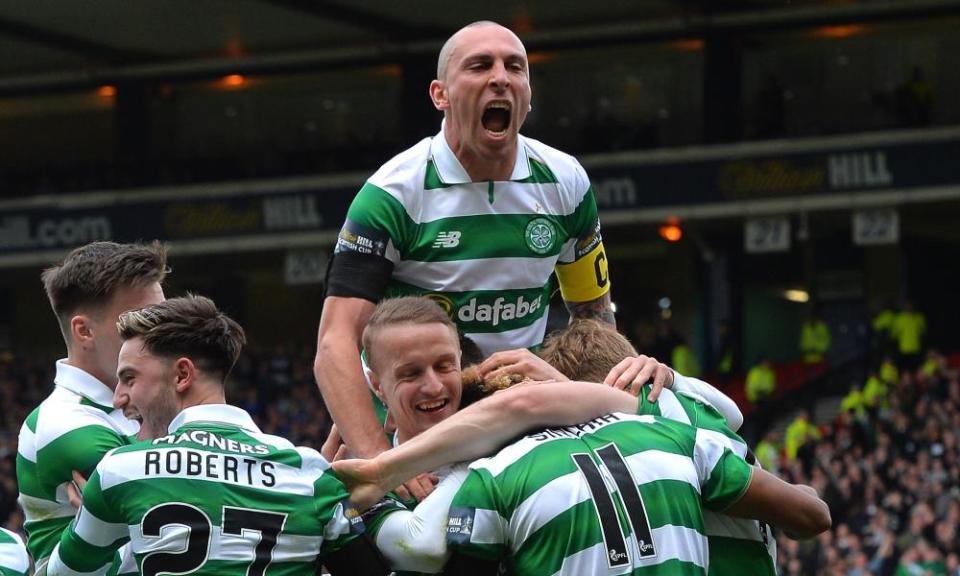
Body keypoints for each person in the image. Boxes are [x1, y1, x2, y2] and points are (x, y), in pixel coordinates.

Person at [315, 20, 614, 464]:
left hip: (521, 417)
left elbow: (593, 316)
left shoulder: (565, 180)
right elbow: (334, 342)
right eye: (480, 66)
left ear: (528, 96)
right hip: (418, 421)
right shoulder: (394, 193)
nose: (500, 77)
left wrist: (606, 419)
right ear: (440, 95)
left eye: (515, 67)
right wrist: (380, 460)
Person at [335, 381, 831, 575]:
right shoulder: (682, 429)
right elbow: (812, 515)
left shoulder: (490, 473)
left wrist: (373, 486)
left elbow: (416, 548)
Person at [47, 295, 390, 576]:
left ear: (182, 375)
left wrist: (117, 529)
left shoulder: (121, 471)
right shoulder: (309, 474)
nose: (119, 396)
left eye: (130, 378)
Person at [16, 241, 167, 569]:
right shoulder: (64, 423)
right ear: (84, 331)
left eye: (163, 317)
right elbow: (186, 514)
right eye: (142, 320)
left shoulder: (147, 403)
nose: (162, 333)